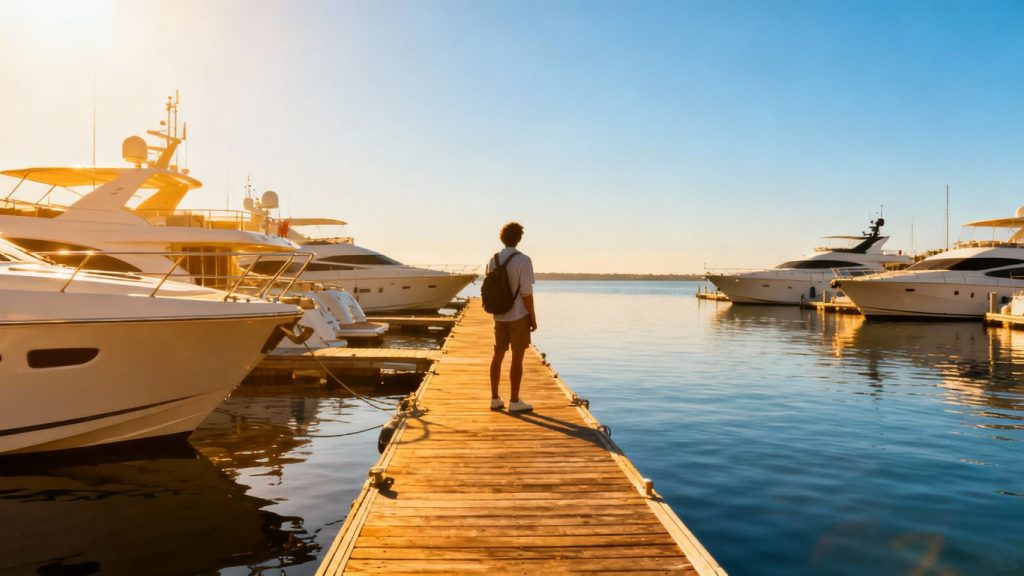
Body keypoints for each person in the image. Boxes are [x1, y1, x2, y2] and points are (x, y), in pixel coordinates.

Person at [487, 221, 536, 414]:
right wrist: (532, 316)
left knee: (497, 355)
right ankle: (514, 401)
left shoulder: (493, 259)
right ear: (519, 238)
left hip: (499, 315)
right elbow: (526, 292)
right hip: (518, 315)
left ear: (502, 237)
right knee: (517, 358)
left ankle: (494, 399)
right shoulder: (524, 260)